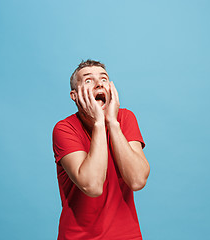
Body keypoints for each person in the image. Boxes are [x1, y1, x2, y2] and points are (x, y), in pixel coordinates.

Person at [52, 59, 150, 240]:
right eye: (88, 80)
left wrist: (112, 122)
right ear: (74, 95)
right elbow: (92, 185)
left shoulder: (125, 118)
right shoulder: (64, 129)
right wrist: (98, 122)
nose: (98, 83)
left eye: (104, 79)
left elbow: (137, 180)